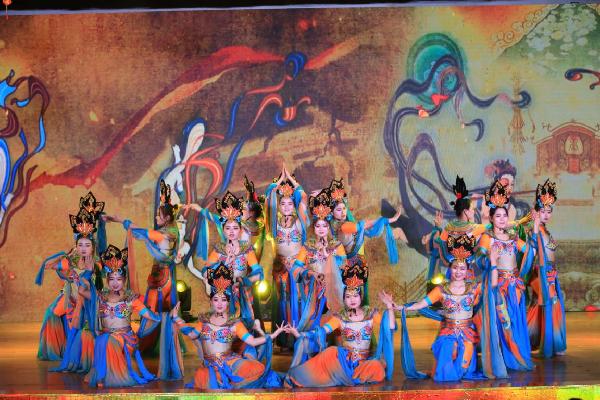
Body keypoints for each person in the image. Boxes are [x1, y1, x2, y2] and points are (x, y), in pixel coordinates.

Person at [103, 179, 183, 380]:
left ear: (166, 217)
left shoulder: (164, 235)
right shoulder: (171, 231)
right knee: (160, 312)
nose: (156, 217)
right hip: (164, 276)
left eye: (158, 215)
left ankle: (141, 343)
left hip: (161, 279)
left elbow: (139, 232)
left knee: (154, 313)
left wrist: (121, 220)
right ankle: (158, 345)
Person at [396, 233, 494, 381]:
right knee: (448, 363)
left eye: (462, 269)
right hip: (448, 333)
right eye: (455, 268)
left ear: (467, 270)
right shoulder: (441, 290)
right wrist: (403, 308)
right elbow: (422, 304)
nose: (458, 272)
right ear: (450, 268)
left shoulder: (474, 288)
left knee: (463, 371)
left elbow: (493, 285)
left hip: (467, 333)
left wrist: (493, 262)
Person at [171, 263, 286, 389]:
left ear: (228, 302)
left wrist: (272, 335)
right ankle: (225, 381)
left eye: (223, 300)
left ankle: (231, 380)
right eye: (216, 299)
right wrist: (177, 318)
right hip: (211, 367)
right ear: (211, 301)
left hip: (231, 363)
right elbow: (192, 334)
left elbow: (252, 341)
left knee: (257, 368)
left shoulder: (234, 323)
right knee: (202, 376)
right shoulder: (204, 321)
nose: (220, 304)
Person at [284, 263, 396, 388]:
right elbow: (322, 331)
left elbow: (390, 327)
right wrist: (299, 334)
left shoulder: (370, 313)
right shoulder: (340, 316)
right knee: (330, 352)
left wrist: (389, 306)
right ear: (344, 299)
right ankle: (299, 376)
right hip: (343, 362)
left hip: (363, 363)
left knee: (377, 368)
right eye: (348, 296)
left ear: (361, 296)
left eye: (355, 296)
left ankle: (353, 377)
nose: (352, 300)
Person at [36, 194, 105, 374]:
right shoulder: (72, 259)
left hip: (87, 302)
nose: (83, 248)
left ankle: (85, 358)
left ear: (92, 246)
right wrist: (60, 258)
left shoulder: (96, 263)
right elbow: (51, 266)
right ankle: (58, 351)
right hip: (71, 297)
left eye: (87, 245)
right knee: (51, 314)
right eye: (80, 245)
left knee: (84, 329)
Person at [476, 180, 535, 372]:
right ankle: (503, 357)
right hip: (498, 286)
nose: (502, 219)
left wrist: (534, 231)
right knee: (503, 321)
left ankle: (516, 355)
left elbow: (530, 251)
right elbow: (479, 260)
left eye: (504, 215)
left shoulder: (512, 237)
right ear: (491, 218)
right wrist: (490, 259)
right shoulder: (487, 237)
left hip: (515, 286)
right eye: (498, 216)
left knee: (516, 321)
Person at [82, 245, 161, 388]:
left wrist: (166, 316)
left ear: (124, 280)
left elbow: (150, 316)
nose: (115, 283)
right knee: (102, 340)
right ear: (107, 280)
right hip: (107, 336)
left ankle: (107, 376)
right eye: (111, 279)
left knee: (106, 341)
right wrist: (88, 272)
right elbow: (82, 291)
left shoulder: (130, 299)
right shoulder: (101, 297)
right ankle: (104, 375)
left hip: (125, 339)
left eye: (119, 279)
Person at [199, 191, 264, 329]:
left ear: (240, 229)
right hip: (223, 298)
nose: (232, 231)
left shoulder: (246, 249)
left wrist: (243, 281)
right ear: (223, 230)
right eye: (228, 228)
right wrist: (224, 265)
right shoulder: (219, 249)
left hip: (242, 294)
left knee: (242, 330)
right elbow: (205, 272)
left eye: (235, 228)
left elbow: (258, 273)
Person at [263, 165, 309, 346]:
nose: (287, 207)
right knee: (283, 301)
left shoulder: (300, 222)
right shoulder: (274, 224)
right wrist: (279, 182)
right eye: (283, 203)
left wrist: (292, 181)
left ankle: (299, 337)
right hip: (280, 267)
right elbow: (268, 201)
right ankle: (285, 339)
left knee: (298, 299)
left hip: (297, 267)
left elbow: (303, 198)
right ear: (279, 206)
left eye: (290, 203)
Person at [290, 188, 346, 331]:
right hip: (314, 291)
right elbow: (295, 269)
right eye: (318, 226)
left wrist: (329, 257)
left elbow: (345, 265)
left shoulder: (336, 245)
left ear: (329, 227)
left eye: (324, 226)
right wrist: (311, 273)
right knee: (313, 322)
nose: (321, 229)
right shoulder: (308, 246)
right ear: (313, 227)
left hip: (334, 290)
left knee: (337, 322)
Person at [527, 179, 566, 358]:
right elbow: (532, 249)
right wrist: (535, 225)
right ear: (536, 211)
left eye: (549, 211)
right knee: (550, 303)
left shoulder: (546, 230)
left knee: (541, 305)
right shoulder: (534, 231)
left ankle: (531, 339)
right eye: (542, 211)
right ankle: (550, 343)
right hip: (539, 273)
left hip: (549, 273)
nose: (546, 214)